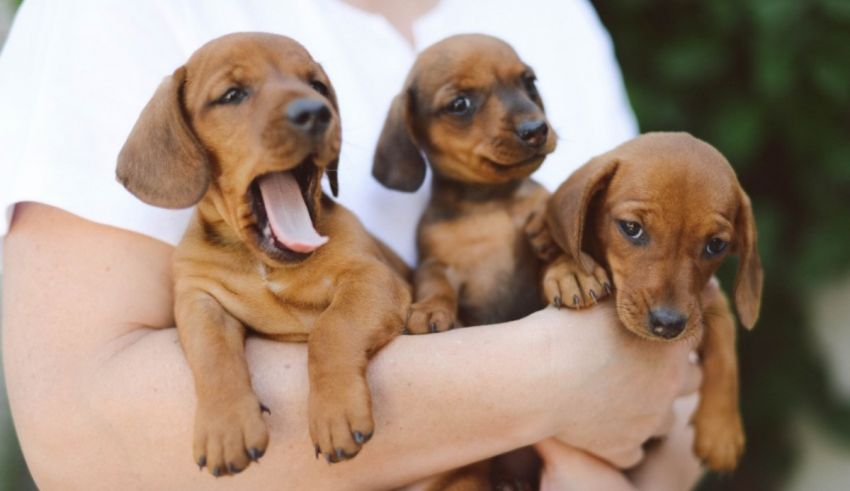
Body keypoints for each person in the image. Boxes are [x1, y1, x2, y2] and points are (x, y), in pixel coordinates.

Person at [0, 0, 703, 489]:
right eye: (237, 96)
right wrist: (552, 379)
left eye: (314, 91)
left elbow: (666, 365)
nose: (304, 108)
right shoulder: (104, 14)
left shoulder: (558, 16)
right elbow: (78, 437)